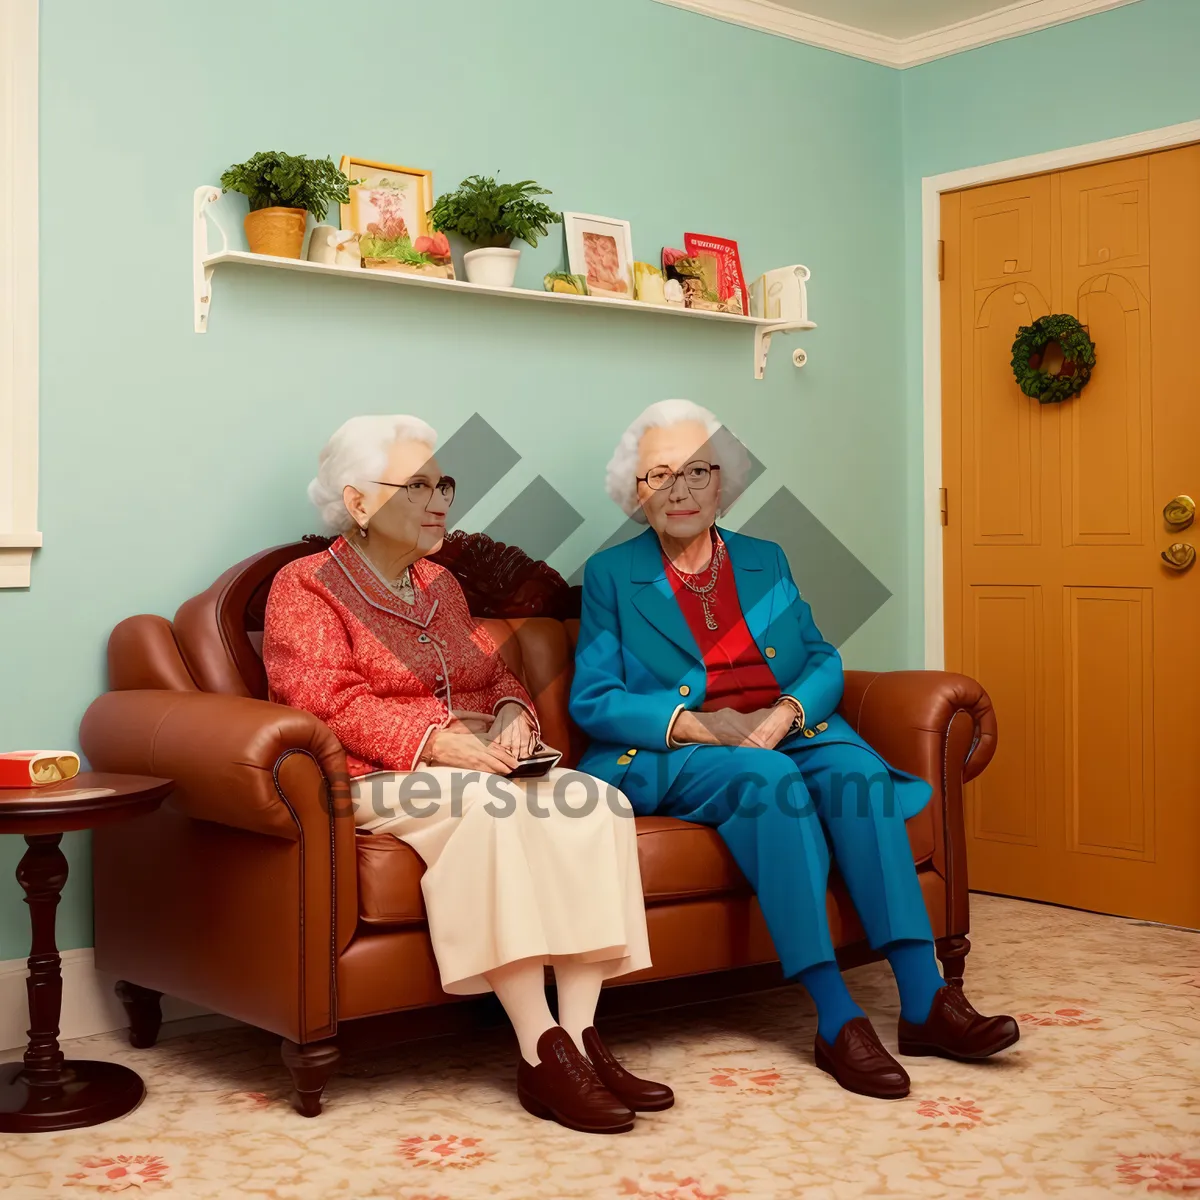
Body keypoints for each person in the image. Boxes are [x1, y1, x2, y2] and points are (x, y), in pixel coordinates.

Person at [569, 399, 1018, 1100]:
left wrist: (783, 715)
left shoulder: (762, 560)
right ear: (636, 492)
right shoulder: (611, 576)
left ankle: (926, 1001)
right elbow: (594, 698)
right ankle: (836, 1016)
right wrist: (703, 725)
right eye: (658, 475)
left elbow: (821, 659)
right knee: (766, 780)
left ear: (725, 482)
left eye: (696, 472)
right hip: (679, 750)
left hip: (781, 731)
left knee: (856, 776)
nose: (678, 490)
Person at [263, 414, 672, 1133]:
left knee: (597, 803)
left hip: (475, 762)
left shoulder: (441, 585)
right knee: (491, 809)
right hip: (370, 776)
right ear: (358, 503)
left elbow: (494, 675)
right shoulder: (307, 586)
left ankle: (580, 1037)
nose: (438, 499)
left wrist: (514, 715)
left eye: (441, 482)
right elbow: (326, 701)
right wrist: (435, 740)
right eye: (415, 485)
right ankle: (539, 1050)